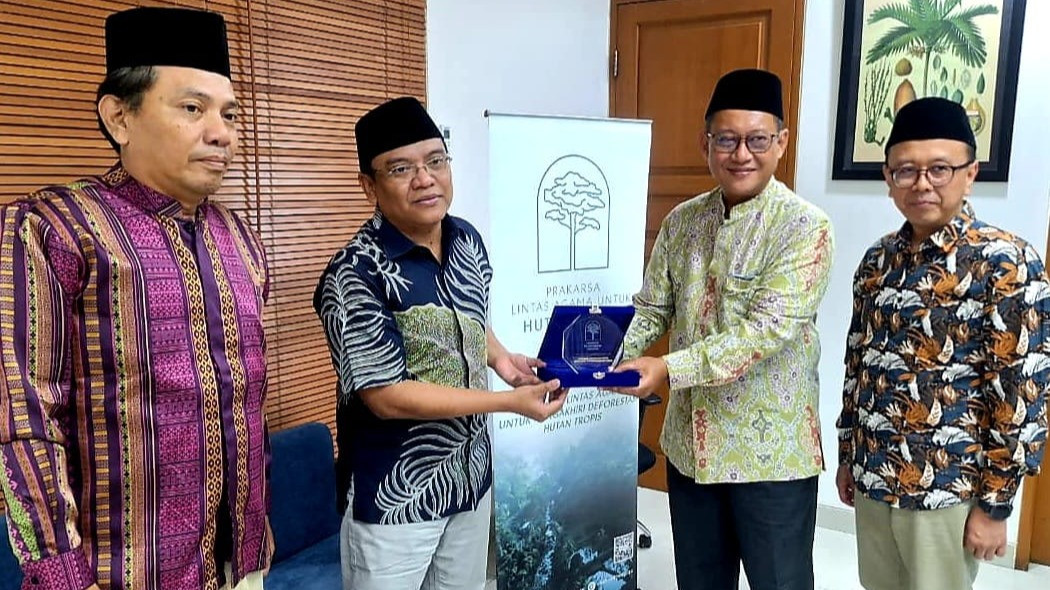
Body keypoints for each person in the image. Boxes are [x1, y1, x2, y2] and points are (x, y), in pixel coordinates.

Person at [0, 7, 271, 590]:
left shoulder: (241, 239)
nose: (221, 132)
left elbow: (246, 403)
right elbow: (22, 418)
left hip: (242, 566)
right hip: (119, 576)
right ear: (119, 116)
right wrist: (62, 578)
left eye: (229, 114)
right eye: (193, 108)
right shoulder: (51, 228)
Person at [313, 96, 565, 590]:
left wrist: (504, 360)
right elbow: (385, 396)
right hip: (395, 497)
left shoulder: (466, 238)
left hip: (471, 480)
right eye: (400, 168)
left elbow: (471, 316)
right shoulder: (354, 275)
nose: (424, 178)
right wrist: (508, 401)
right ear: (370, 185)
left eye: (435, 160)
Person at [613, 68, 834, 590]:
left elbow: (764, 332)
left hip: (771, 458)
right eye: (727, 139)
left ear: (780, 142)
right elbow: (652, 307)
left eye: (757, 139)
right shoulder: (682, 221)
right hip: (692, 451)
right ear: (705, 142)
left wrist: (666, 367)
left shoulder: (805, 228)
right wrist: (587, 356)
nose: (741, 154)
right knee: (699, 582)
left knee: (779, 583)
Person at [835, 96, 1049, 590]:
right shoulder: (877, 261)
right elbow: (858, 365)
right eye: (905, 170)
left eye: (939, 169)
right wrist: (850, 454)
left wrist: (996, 504)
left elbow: (1022, 394)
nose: (922, 183)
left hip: (946, 488)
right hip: (875, 475)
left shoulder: (1005, 262)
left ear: (969, 173)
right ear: (889, 178)